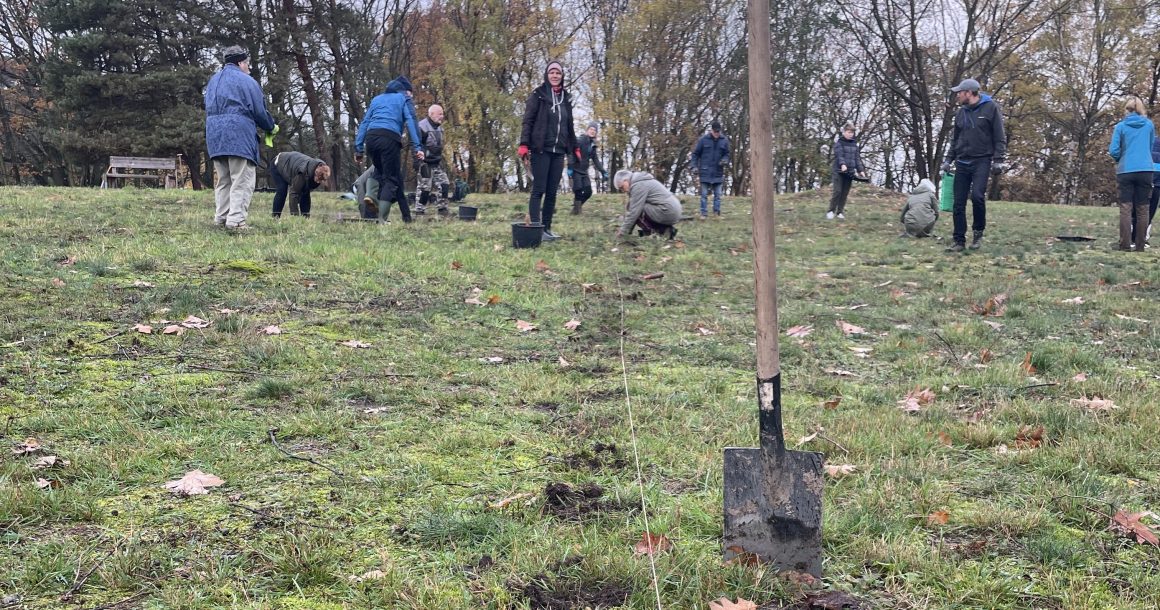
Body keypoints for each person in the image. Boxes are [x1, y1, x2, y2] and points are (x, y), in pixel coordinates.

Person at [204, 45, 277, 231]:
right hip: (239, 136)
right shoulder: (247, 81)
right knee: (242, 180)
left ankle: (221, 218)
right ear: (240, 63)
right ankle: (236, 221)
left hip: (215, 136)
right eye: (247, 64)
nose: (249, 68)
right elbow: (259, 111)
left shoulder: (213, 81)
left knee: (224, 180)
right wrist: (270, 126)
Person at [940, 78, 1007, 252]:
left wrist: (998, 160)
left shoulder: (991, 108)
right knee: (958, 203)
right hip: (962, 161)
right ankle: (959, 241)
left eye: (959, 93)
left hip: (982, 160)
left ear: (969, 93)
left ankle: (978, 233)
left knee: (977, 196)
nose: (957, 96)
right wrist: (948, 160)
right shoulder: (960, 113)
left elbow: (999, 136)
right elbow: (955, 140)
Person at [519, 61, 579, 241]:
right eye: (552, 72)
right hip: (541, 149)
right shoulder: (538, 95)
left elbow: (569, 125)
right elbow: (528, 121)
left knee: (552, 192)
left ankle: (547, 228)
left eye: (558, 73)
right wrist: (524, 144)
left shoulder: (566, 98)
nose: (555, 75)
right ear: (547, 75)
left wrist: (575, 146)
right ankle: (536, 229)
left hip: (559, 151)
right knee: (539, 189)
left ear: (562, 76)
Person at [355, 76, 423, 223]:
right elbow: (410, 121)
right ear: (402, 90)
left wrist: (358, 149)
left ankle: (370, 194)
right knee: (391, 181)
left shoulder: (376, 99)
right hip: (389, 139)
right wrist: (417, 147)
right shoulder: (401, 98)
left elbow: (365, 122)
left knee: (378, 170)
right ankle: (382, 220)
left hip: (371, 138)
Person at [1108, 96, 1154, 252]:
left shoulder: (1120, 126)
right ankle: (1140, 245)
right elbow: (1149, 146)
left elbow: (1113, 150)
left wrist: (1119, 159)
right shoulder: (1149, 125)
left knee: (1126, 208)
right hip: (1146, 169)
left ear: (1126, 110)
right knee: (1143, 208)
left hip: (1126, 169)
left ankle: (1125, 244)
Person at [613, 169, 682, 240]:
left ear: (625, 180)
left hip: (667, 210)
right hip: (672, 210)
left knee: (635, 208)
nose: (622, 191)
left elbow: (634, 212)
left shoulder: (638, 185)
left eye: (621, 187)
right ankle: (665, 230)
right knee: (636, 207)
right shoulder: (642, 181)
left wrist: (622, 233)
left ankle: (655, 233)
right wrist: (628, 231)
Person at [269, 152, 329, 218]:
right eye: (318, 179)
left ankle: (305, 218)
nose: (318, 182)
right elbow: (293, 193)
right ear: (316, 173)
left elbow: (305, 195)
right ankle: (275, 218)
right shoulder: (302, 173)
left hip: (290, 163)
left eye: (321, 180)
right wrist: (295, 217)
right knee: (282, 191)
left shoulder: (320, 169)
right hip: (278, 164)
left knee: (305, 193)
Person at [690, 121, 730, 218]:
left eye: (718, 132)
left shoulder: (724, 140)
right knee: (704, 195)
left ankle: (716, 213)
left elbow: (727, 154)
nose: (716, 133)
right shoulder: (703, 140)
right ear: (711, 130)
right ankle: (703, 213)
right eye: (715, 131)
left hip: (718, 171)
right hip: (705, 171)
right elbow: (695, 154)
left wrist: (725, 160)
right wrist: (694, 167)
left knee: (718, 195)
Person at [416, 104, 450, 215]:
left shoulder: (440, 128)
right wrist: (418, 162)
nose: (442, 116)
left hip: (437, 162)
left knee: (445, 184)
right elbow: (415, 145)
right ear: (431, 114)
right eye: (439, 114)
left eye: (442, 114)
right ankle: (419, 211)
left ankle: (442, 209)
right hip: (424, 163)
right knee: (425, 189)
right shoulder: (421, 127)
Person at [827, 122, 866, 220]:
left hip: (850, 172)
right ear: (844, 132)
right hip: (839, 171)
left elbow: (857, 158)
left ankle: (840, 212)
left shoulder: (854, 145)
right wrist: (843, 164)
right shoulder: (839, 143)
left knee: (844, 193)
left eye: (852, 132)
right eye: (848, 132)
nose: (850, 134)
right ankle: (831, 211)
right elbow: (839, 155)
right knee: (837, 191)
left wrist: (861, 170)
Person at [569, 121, 608, 214]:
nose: (592, 131)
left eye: (595, 130)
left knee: (588, 192)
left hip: (584, 171)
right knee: (578, 189)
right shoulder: (580, 140)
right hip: (576, 169)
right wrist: (570, 167)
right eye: (591, 129)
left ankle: (576, 208)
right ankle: (576, 211)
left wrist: (603, 171)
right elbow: (571, 152)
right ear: (587, 130)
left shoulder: (593, 145)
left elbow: (595, 160)